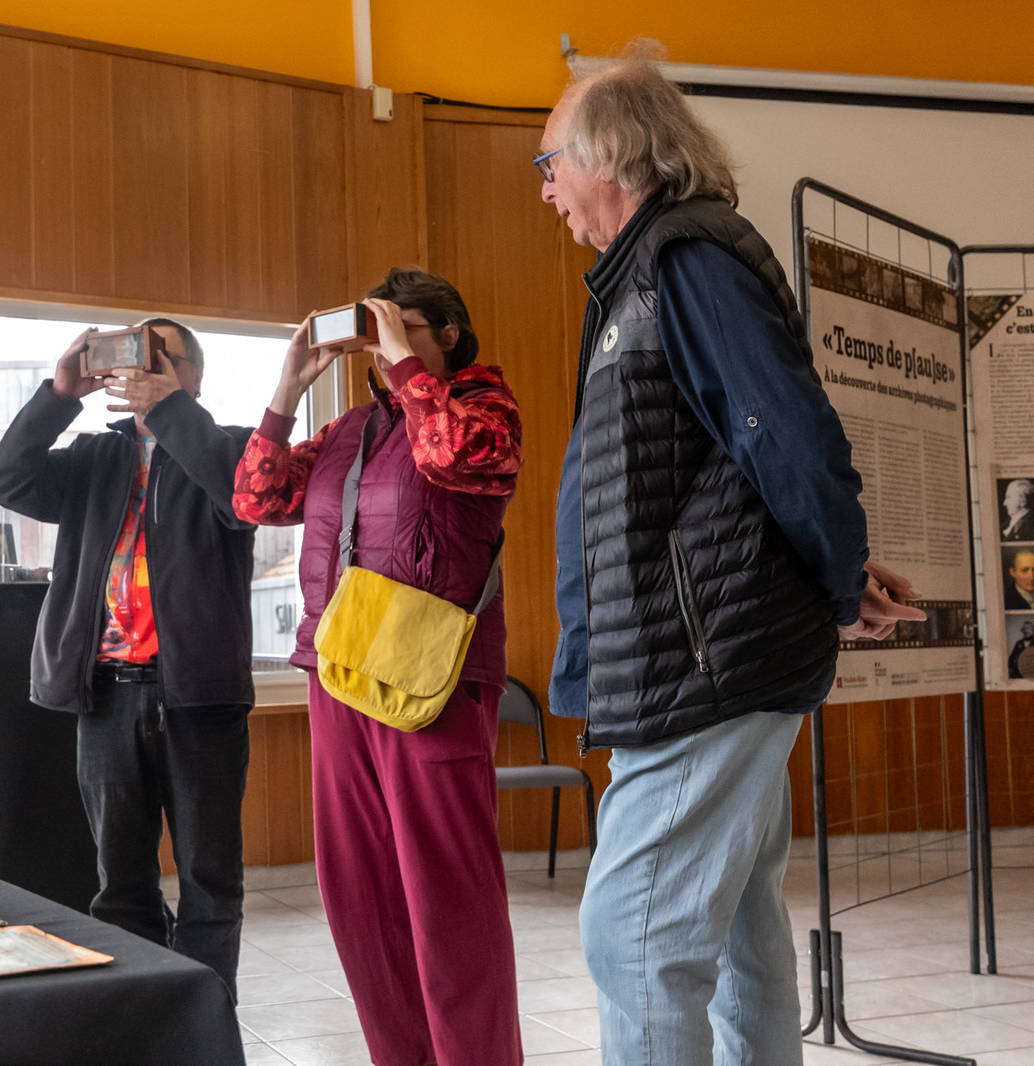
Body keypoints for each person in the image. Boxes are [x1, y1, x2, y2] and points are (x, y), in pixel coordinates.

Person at [537, 57, 925, 1066]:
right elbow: (722, 465)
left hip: (703, 663)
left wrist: (838, 581)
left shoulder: (685, 258)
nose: (543, 190)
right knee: (740, 929)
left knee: (634, 934)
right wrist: (837, 574)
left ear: (608, 153)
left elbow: (786, 436)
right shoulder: (645, 273)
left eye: (547, 163)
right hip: (694, 653)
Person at [234, 268, 524, 1066]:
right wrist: (288, 389)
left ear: (449, 335)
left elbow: (455, 454)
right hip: (340, 669)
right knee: (359, 893)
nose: (373, 346)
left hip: (435, 679)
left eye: (394, 327)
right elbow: (257, 501)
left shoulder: (483, 411)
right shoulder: (350, 428)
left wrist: (405, 362)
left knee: (446, 897)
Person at [0, 318, 255, 997]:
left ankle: (204, 1026)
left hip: (201, 698)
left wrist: (170, 412)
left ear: (194, 374)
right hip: (107, 694)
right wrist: (60, 393)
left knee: (209, 882)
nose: (144, 364)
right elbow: (5, 480)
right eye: (137, 351)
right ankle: (145, 1023)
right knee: (120, 883)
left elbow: (242, 502)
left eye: (162, 355)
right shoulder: (91, 458)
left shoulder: (236, 449)